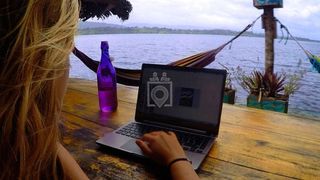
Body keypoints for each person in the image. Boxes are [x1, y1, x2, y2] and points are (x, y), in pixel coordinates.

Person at [0, 0, 199, 179]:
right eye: (65, 51)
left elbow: (44, 137)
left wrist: (44, 124)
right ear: (33, 68)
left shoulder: (23, 140)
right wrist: (177, 159)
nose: (67, 66)